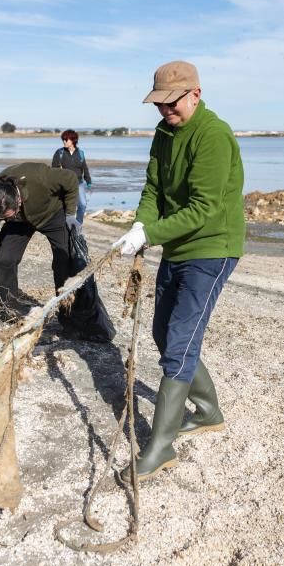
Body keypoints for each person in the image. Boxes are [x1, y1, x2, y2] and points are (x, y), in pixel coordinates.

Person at [112, 60, 245, 481]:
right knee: (163, 333)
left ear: (196, 94)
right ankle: (207, 410)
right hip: (177, 246)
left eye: (172, 102)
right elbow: (153, 188)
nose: (165, 110)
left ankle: (161, 447)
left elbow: (204, 209)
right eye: (159, 103)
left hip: (212, 248)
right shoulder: (164, 132)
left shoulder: (214, 136)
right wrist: (140, 224)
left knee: (179, 346)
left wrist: (148, 234)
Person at [0, 162, 79, 324]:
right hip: (19, 223)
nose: (4, 221)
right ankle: (9, 311)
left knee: (65, 258)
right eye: (3, 219)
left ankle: (68, 314)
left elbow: (70, 179)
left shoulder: (40, 177)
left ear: (18, 201)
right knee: (4, 259)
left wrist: (70, 213)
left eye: (7, 217)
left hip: (52, 213)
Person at [51, 129, 92, 223]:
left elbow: (84, 168)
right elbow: (53, 169)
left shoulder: (80, 153)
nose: (64, 142)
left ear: (73, 140)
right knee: (66, 207)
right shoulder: (59, 153)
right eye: (63, 140)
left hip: (79, 183)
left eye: (66, 140)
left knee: (83, 205)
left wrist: (88, 181)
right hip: (64, 184)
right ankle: (65, 225)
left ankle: (78, 225)